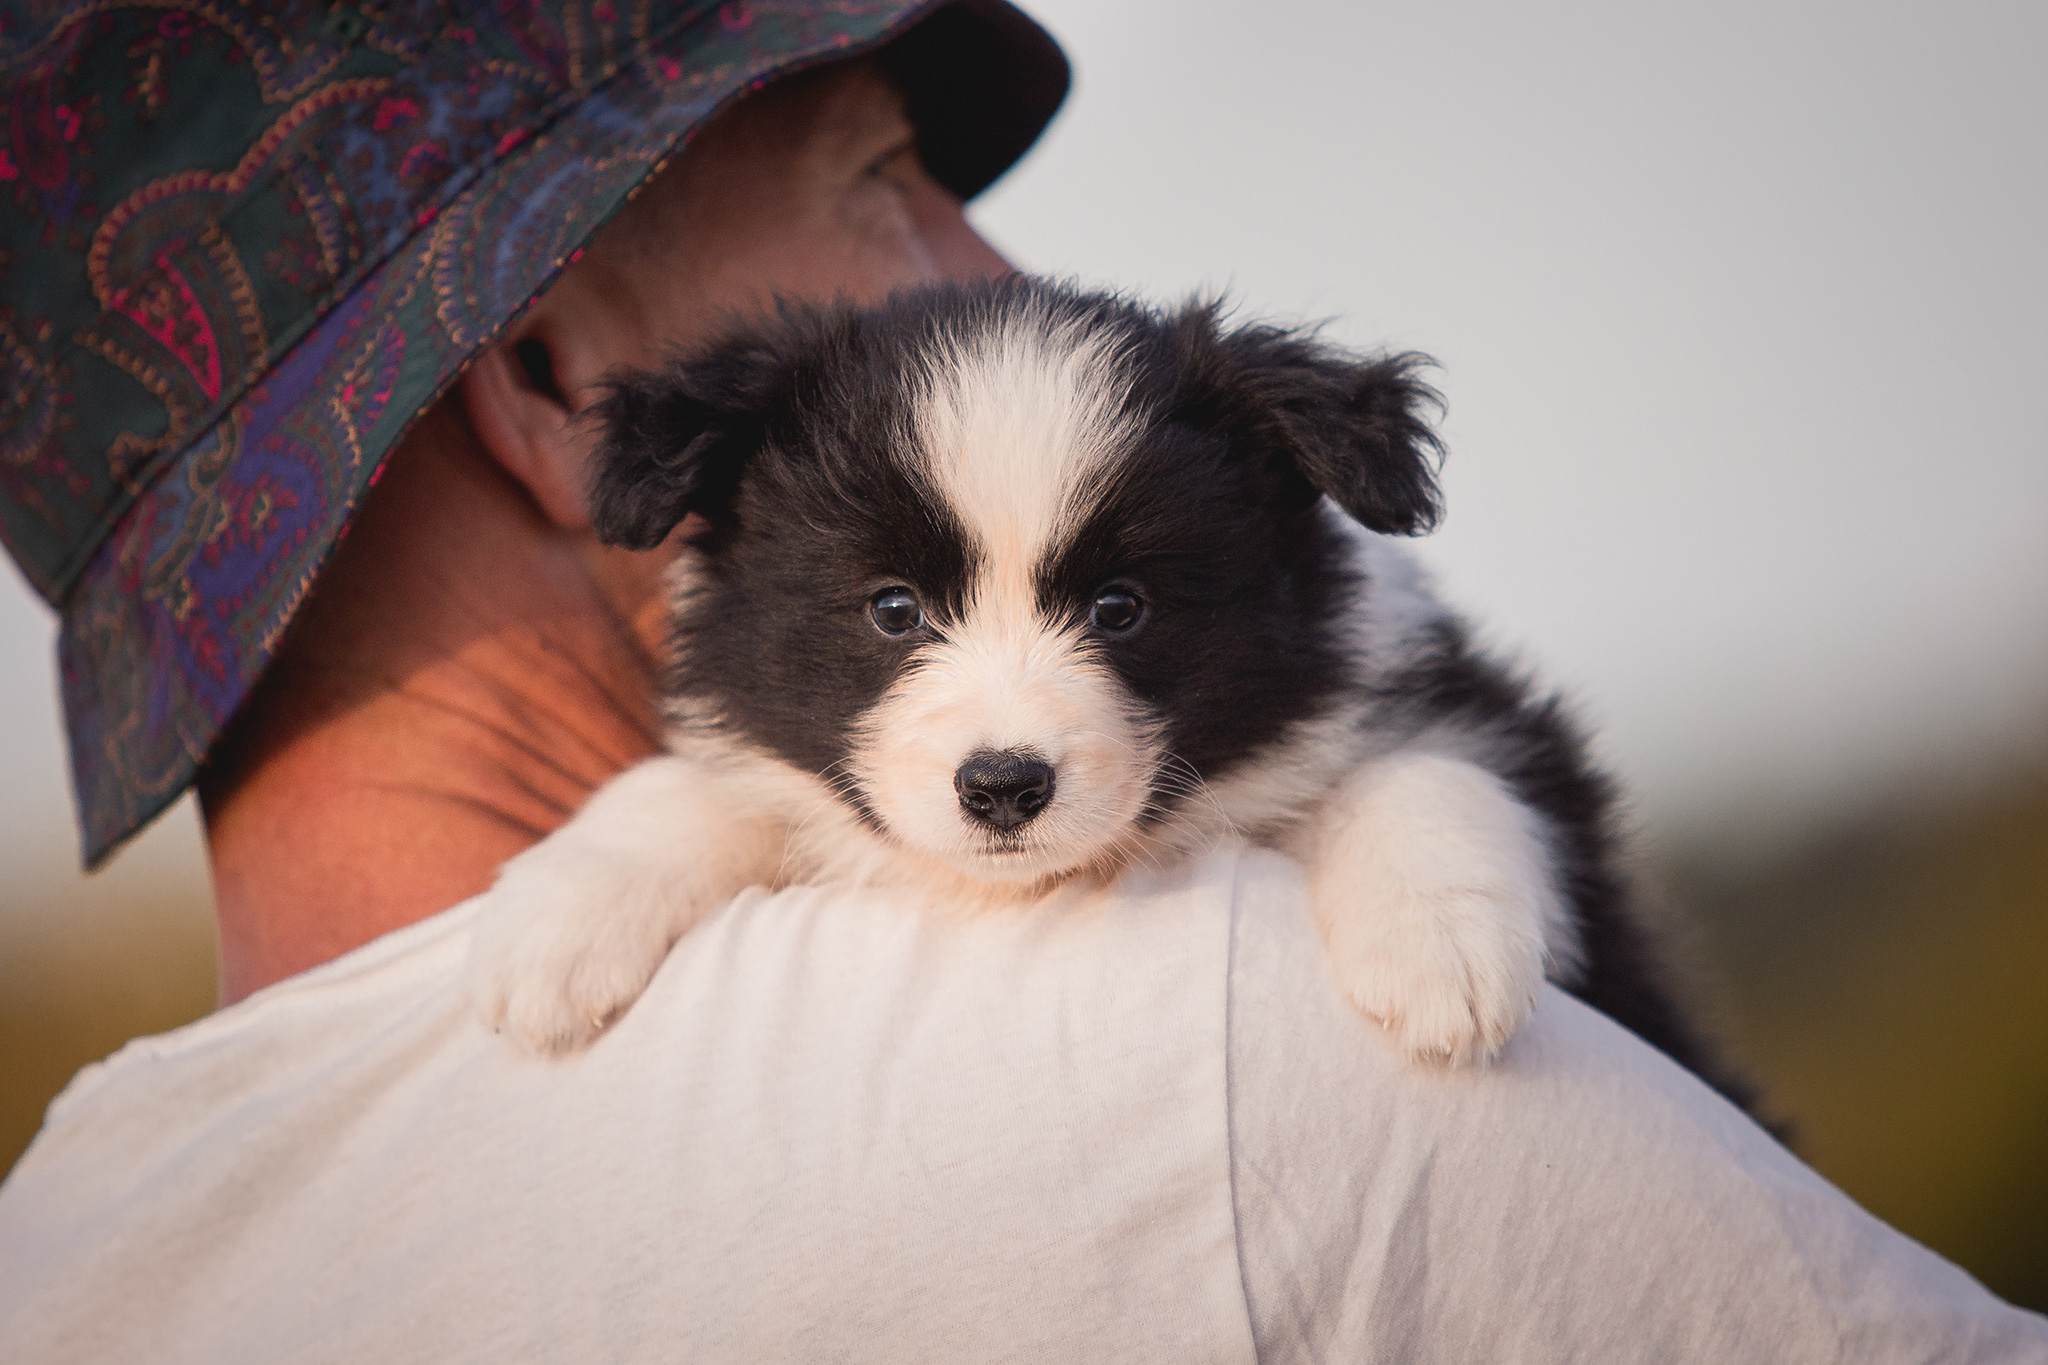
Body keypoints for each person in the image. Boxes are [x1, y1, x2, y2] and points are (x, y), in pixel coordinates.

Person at [0, 2, 2041, 1359]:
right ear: (558, 379)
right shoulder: (1204, 1029)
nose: (989, 264)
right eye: (878, 175)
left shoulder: (66, 1260)